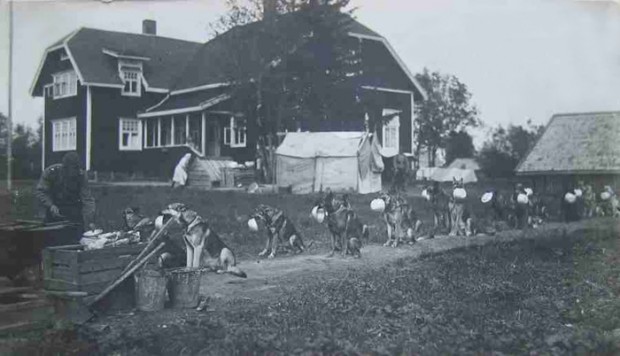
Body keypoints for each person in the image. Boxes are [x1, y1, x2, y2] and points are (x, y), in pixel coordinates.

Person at [35, 152, 96, 237]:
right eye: (72, 169)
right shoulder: (51, 172)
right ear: (64, 168)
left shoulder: (81, 176)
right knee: (52, 237)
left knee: (77, 238)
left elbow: (87, 199)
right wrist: (50, 205)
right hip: (54, 209)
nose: (74, 172)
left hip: (74, 211)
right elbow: (41, 192)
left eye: (76, 169)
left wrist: (90, 220)